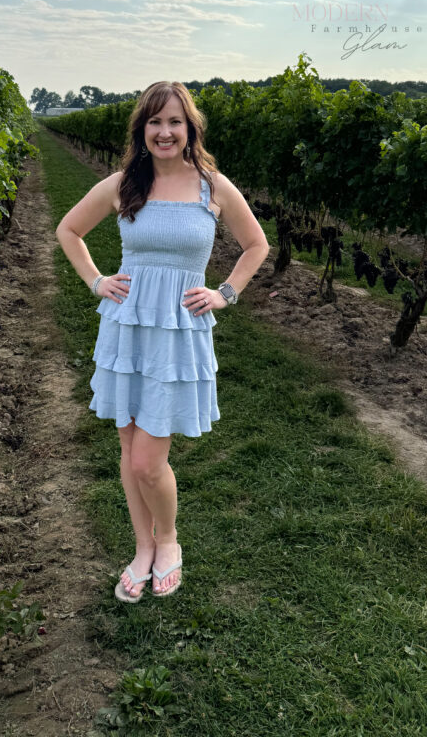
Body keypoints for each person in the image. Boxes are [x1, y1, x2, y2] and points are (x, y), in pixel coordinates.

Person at [55, 82, 270, 601]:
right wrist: (96, 281)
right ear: (142, 130)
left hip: (179, 333)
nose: (165, 132)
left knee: (148, 462)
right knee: (130, 453)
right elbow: (68, 230)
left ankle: (168, 540)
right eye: (154, 122)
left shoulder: (213, 187)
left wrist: (226, 294)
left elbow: (257, 245)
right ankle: (142, 548)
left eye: (174, 121)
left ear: (190, 127)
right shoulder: (123, 184)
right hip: (128, 327)